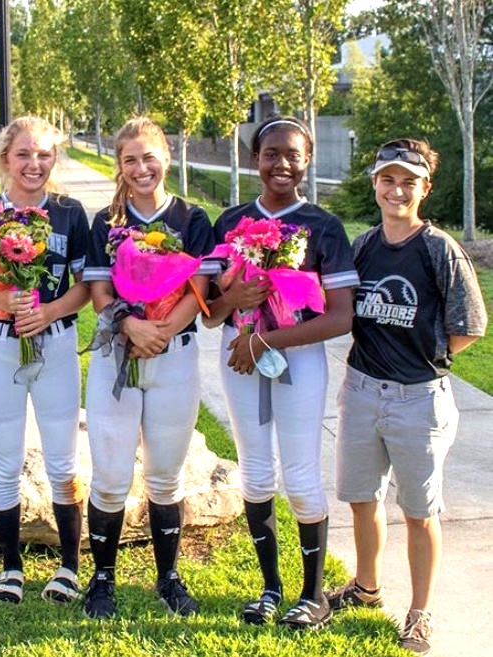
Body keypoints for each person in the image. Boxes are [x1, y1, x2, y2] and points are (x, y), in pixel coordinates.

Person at [325, 139, 487, 655]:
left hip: (419, 397)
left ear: (425, 188)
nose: (397, 190)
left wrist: (425, 355)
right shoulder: (364, 245)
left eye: (408, 182)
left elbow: (470, 327)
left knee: (419, 509)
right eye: (387, 180)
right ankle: (366, 588)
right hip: (362, 388)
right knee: (361, 497)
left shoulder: (438, 248)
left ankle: (419, 612)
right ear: (375, 183)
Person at [203, 115, 359, 629]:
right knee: (255, 469)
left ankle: (312, 595)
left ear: (307, 159)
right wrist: (235, 298)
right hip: (239, 355)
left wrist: (263, 338)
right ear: (255, 159)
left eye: (293, 154)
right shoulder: (229, 222)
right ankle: (270, 588)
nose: (282, 165)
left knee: (300, 473)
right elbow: (209, 311)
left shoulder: (323, 226)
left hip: (296, 357)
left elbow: (339, 315)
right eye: (271, 154)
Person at [0, 116, 90, 604]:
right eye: (24, 153)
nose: (34, 164)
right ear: (5, 157)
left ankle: (69, 566)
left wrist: (49, 310)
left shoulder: (69, 213)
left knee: (62, 459)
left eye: (45, 154)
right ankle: (11, 566)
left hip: (56, 343)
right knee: (4, 460)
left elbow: (87, 286)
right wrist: (2, 302)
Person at [81, 116, 219, 619]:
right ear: (120, 166)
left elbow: (200, 289)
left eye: (149, 156)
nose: (141, 168)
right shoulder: (107, 222)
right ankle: (102, 580)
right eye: (130, 160)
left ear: (166, 154)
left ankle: (168, 577)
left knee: (165, 476)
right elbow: (99, 292)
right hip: (117, 354)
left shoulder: (192, 218)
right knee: (112, 476)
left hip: (173, 354)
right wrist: (129, 327)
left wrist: (160, 331)